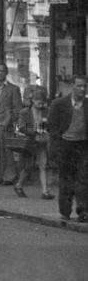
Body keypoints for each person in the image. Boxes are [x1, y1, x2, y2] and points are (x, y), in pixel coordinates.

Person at [48, 75, 88, 223]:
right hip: (65, 146)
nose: (82, 89)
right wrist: (55, 150)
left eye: (84, 86)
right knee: (66, 180)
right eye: (79, 86)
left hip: (83, 146)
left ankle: (83, 211)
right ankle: (65, 211)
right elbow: (52, 128)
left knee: (83, 179)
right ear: (72, 86)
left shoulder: (87, 104)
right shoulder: (59, 104)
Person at [14, 85, 54, 200]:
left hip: (42, 141)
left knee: (43, 165)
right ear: (33, 101)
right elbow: (21, 127)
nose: (41, 106)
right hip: (30, 142)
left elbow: (50, 124)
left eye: (43, 103)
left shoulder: (46, 111)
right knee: (28, 167)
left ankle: (45, 191)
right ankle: (19, 186)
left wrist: (47, 129)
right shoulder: (24, 112)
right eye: (39, 103)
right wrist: (34, 131)